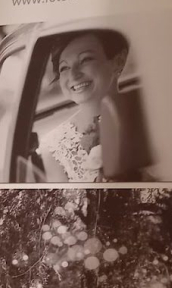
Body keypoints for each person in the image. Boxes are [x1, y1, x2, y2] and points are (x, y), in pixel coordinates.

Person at [38, 30, 129, 182]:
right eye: (64, 68)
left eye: (85, 59)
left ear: (118, 61)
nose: (73, 75)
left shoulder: (155, 114)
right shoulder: (53, 149)